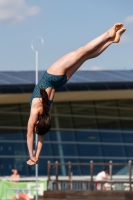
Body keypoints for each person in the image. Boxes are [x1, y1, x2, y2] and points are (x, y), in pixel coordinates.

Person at [27, 23, 126, 165]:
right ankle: (108, 34)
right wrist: (31, 154)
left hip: (60, 81)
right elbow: (30, 134)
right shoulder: (36, 110)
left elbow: (41, 136)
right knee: (81, 51)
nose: (34, 128)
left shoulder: (47, 113)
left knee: (85, 56)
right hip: (52, 77)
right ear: (37, 122)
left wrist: (36, 156)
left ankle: (111, 40)